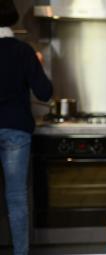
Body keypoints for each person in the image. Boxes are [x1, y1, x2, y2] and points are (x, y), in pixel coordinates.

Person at [0, 0, 53, 254]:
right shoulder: (23, 51)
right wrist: (37, 64)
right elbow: (44, 93)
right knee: (16, 197)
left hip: (14, 129)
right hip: (16, 130)